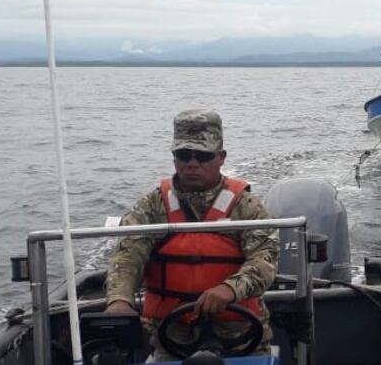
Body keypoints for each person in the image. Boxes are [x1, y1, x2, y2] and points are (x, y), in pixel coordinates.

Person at [104, 110, 279, 359]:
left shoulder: (247, 206)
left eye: (203, 155)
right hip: (170, 338)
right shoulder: (152, 206)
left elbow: (266, 259)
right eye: (184, 155)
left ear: (221, 157)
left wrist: (230, 289)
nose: (192, 163)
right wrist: (119, 300)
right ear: (174, 158)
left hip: (242, 337)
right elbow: (128, 254)